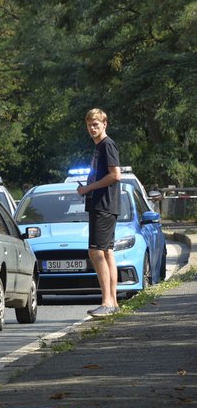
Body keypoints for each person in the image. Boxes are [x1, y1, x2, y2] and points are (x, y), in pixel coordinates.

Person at [76, 108, 121, 318]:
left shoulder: (107, 145)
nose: (92, 128)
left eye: (96, 124)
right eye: (89, 125)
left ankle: (107, 302)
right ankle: (112, 301)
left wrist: (87, 189)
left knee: (95, 252)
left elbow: (115, 175)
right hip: (102, 205)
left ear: (105, 124)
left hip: (104, 205)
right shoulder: (99, 147)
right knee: (107, 252)